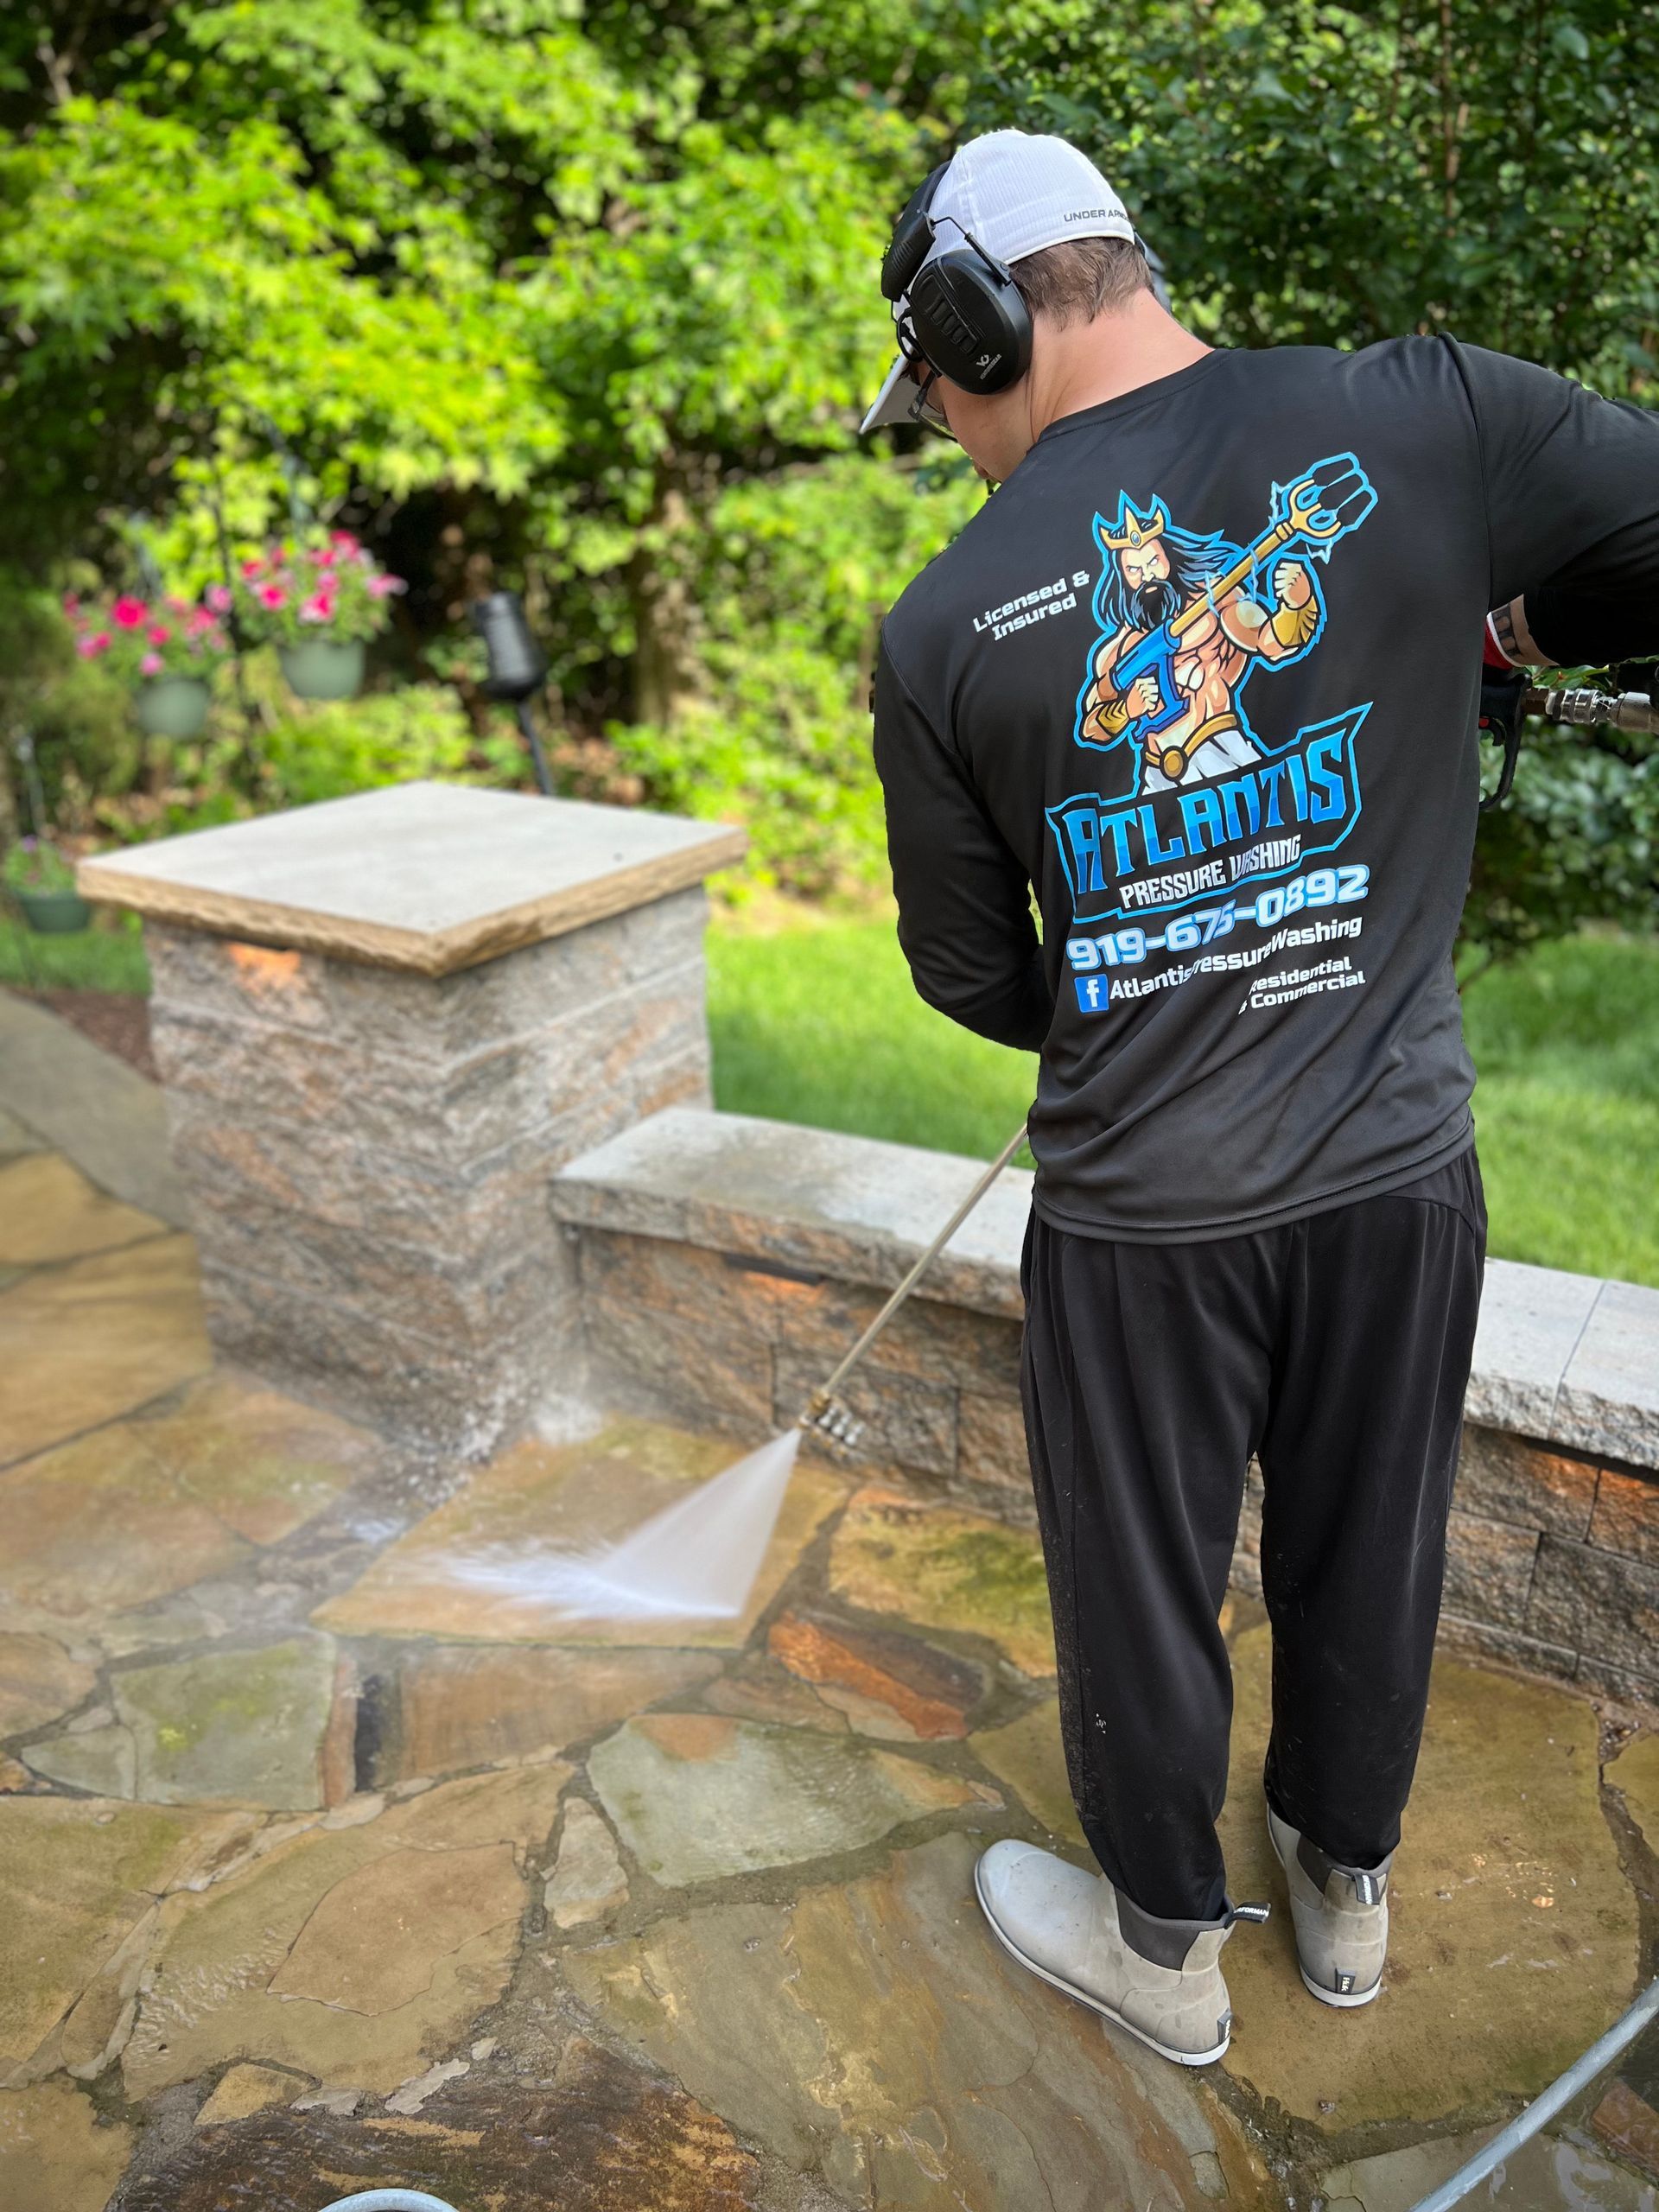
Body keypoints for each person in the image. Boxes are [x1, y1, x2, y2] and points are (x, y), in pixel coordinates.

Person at [862, 128, 1659, 2067]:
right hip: (1400, 1167)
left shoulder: (946, 623)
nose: (958, 441)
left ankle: (1160, 1948)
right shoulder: (1427, 411)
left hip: (1145, 1217)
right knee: (1370, 1533)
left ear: (973, 326)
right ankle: (1342, 1885)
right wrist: (1515, 634)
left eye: (939, 395)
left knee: (1139, 1576)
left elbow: (970, 970)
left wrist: (1146, 970)